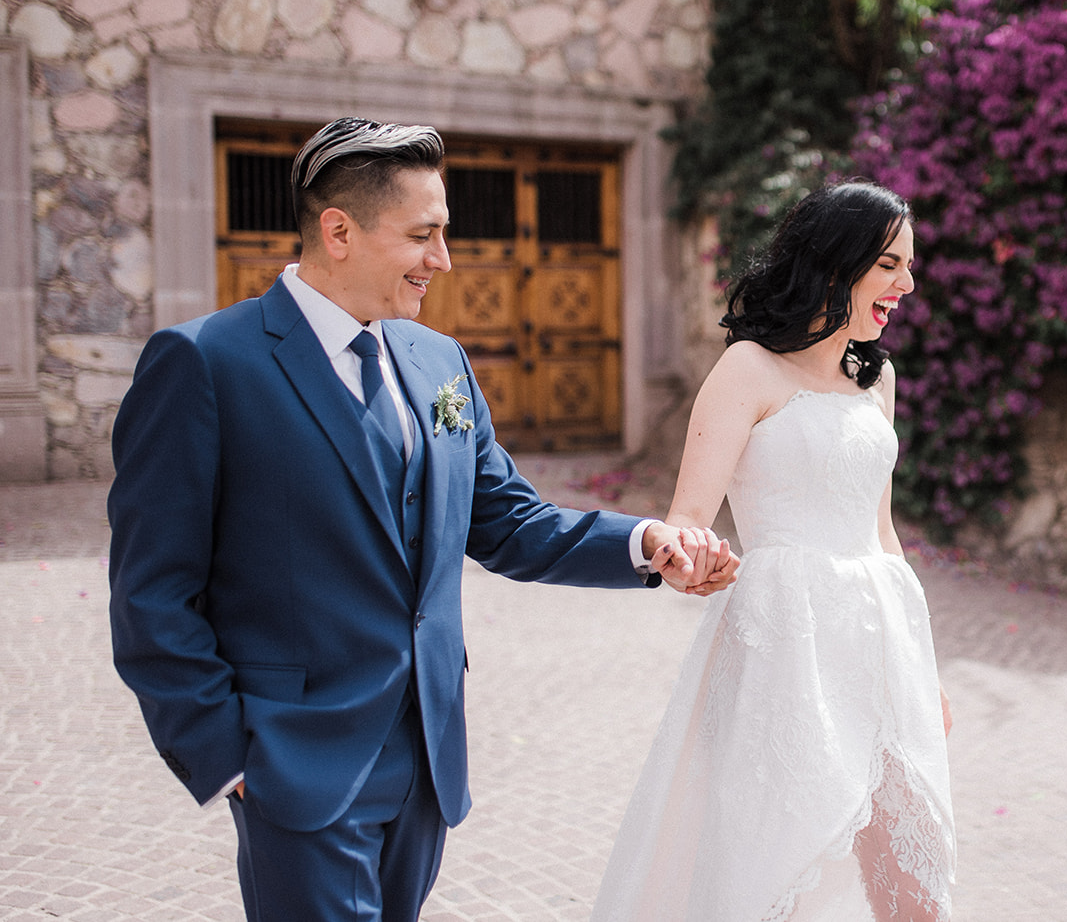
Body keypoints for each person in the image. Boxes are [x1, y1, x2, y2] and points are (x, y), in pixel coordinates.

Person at [106, 117, 738, 922]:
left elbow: (509, 523)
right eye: (423, 235)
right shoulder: (204, 364)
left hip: (428, 762)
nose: (443, 260)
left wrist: (645, 543)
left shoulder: (438, 363)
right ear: (338, 231)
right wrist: (223, 757)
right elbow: (151, 592)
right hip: (293, 763)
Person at [590, 182, 956, 922]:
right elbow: (689, 518)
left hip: (881, 639)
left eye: (907, 266)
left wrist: (924, 668)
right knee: (777, 863)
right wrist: (698, 559)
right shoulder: (748, 370)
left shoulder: (877, 379)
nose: (907, 284)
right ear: (836, 261)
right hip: (783, 650)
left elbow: (880, 531)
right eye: (889, 264)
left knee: (912, 881)